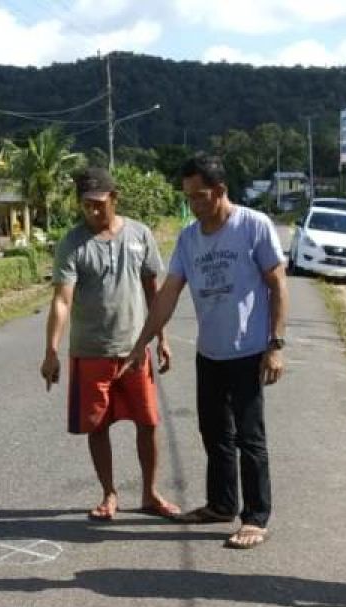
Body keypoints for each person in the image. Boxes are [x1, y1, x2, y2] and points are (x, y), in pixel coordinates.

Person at [124, 154, 288, 549]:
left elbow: (278, 285)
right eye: (189, 197)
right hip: (210, 352)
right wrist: (141, 343)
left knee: (250, 437)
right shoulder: (189, 238)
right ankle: (221, 505)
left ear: (220, 191)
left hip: (248, 350)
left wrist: (276, 344)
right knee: (214, 432)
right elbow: (167, 295)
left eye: (200, 196)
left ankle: (255, 516)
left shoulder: (253, 226)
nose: (194, 204)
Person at [41, 167, 180, 521]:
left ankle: (150, 494)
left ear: (114, 199)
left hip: (135, 349)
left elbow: (153, 290)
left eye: (99, 204)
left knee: (148, 423)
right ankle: (109, 494)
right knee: (97, 425)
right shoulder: (72, 243)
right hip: (90, 352)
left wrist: (161, 338)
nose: (93, 212)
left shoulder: (139, 234)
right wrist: (51, 351)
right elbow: (62, 300)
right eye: (86, 205)